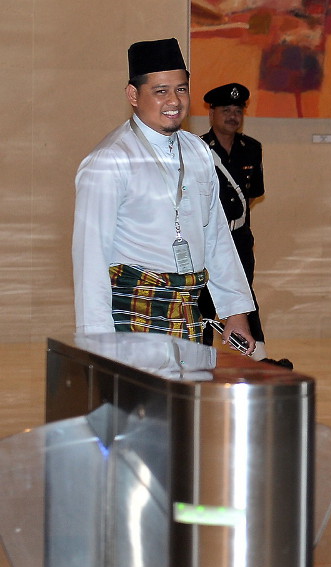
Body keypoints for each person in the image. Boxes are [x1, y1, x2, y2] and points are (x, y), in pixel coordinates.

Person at [72, 38, 256, 355]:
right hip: (132, 314)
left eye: (181, 89)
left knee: (185, 405)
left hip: (188, 312)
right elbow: (91, 260)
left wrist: (235, 311)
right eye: (161, 91)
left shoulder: (197, 150)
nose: (174, 100)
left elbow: (216, 237)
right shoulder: (109, 161)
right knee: (139, 405)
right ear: (133, 95)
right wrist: (98, 345)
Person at [197, 83, 269, 360]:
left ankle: (253, 356)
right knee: (202, 299)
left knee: (242, 295)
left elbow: (253, 195)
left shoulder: (252, 148)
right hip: (205, 240)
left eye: (237, 111)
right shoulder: (198, 148)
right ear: (211, 113)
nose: (232, 116)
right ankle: (199, 358)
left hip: (238, 238)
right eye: (225, 110)